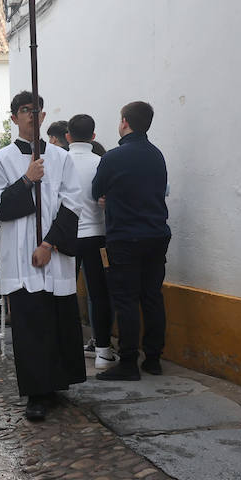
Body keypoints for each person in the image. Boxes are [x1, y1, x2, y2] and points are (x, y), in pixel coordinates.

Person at [0, 91, 87, 420]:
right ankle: (36, 394)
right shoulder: (2, 160)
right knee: (31, 325)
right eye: (24, 110)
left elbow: (73, 203)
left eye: (35, 110)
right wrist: (27, 180)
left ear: (43, 117)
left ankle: (55, 384)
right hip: (21, 254)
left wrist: (50, 244)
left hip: (52, 255)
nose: (30, 115)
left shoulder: (61, 157)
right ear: (14, 118)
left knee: (57, 321)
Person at [92, 101, 171, 381]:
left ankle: (128, 362)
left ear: (124, 122)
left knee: (125, 299)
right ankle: (153, 359)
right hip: (157, 234)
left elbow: (96, 190)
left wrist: (109, 197)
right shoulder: (157, 155)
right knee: (151, 296)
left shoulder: (112, 158)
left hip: (125, 237)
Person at [63, 114, 117, 368]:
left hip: (66, 235)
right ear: (93, 137)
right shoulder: (102, 161)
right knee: (100, 293)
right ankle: (104, 350)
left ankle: (68, 346)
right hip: (97, 234)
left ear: (67, 136)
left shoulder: (59, 161)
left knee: (65, 292)